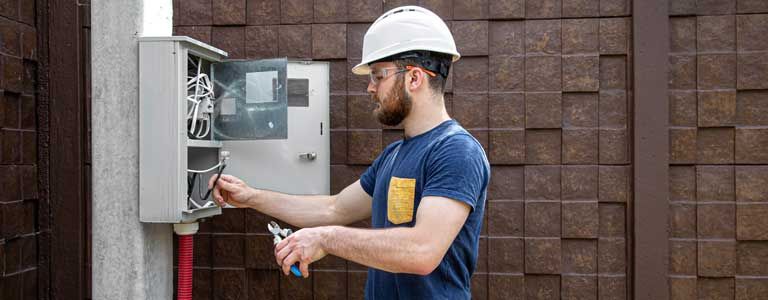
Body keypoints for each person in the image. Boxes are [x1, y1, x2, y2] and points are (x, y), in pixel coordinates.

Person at [209, 6, 490, 299]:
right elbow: (335, 209)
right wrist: (251, 197)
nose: (370, 87)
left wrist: (327, 238)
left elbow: (422, 250)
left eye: (379, 75)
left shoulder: (456, 151)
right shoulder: (394, 155)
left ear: (414, 78)